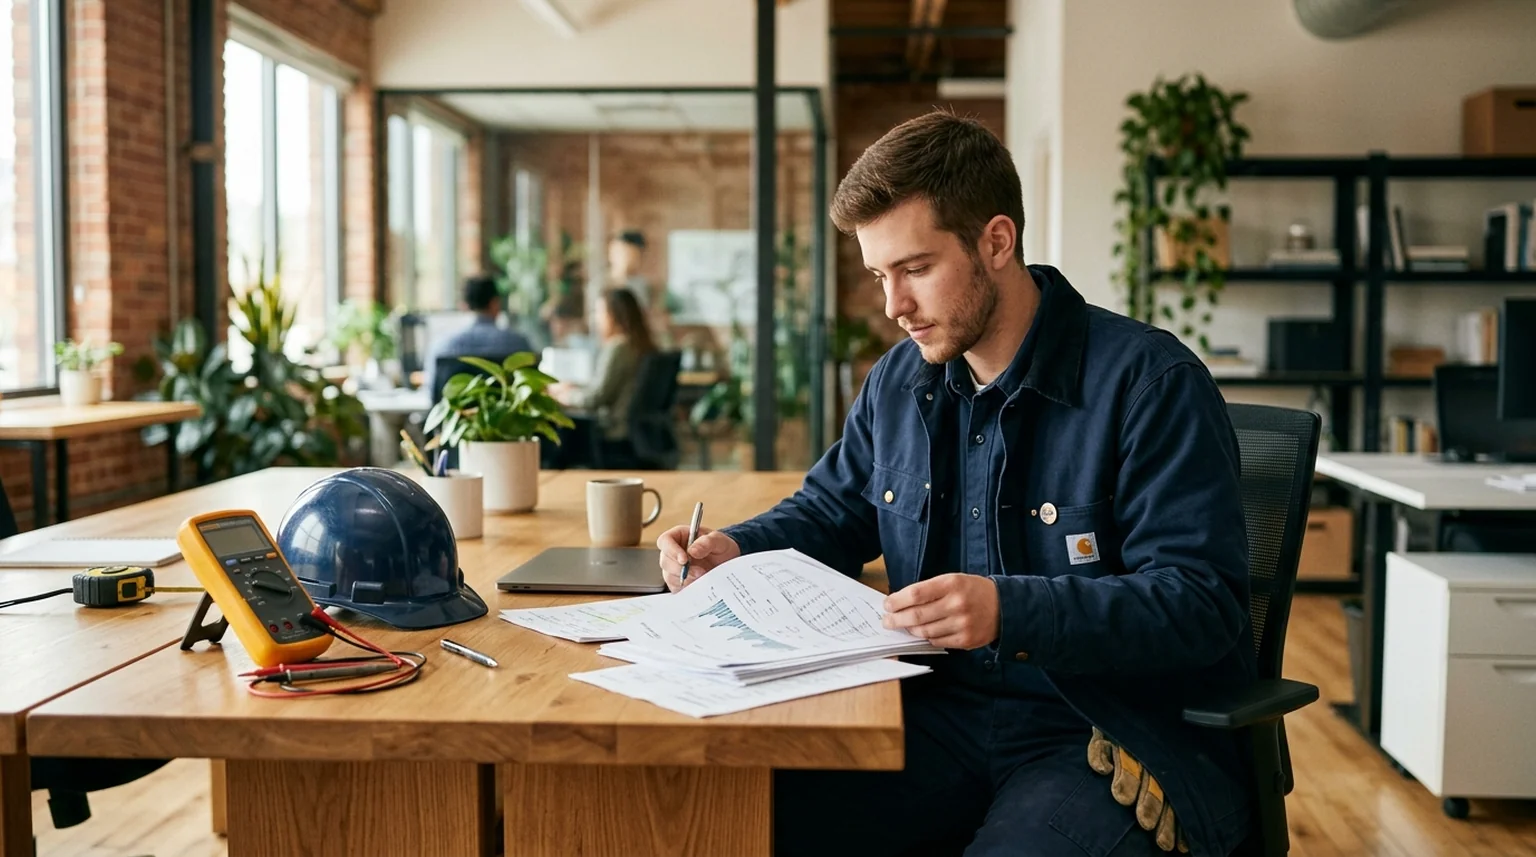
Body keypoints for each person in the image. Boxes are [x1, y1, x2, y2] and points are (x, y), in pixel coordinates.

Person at [655, 111, 1255, 857]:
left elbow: (1203, 602)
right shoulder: (901, 381)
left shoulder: (1150, 384)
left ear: (996, 241)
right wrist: (736, 546)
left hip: (1094, 731)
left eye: (914, 269)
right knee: (730, 824)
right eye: (880, 275)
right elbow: (835, 508)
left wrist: (1011, 607)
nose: (891, 306)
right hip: (929, 711)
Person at [550, 288, 656, 442]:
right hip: (638, 433)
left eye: (599, 312)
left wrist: (564, 396)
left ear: (614, 315)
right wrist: (575, 388)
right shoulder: (639, 346)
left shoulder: (618, 348)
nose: (596, 319)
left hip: (612, 431)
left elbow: (596, 398)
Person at [424, 275, 534, 398]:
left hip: (459, 416)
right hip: (508, 416)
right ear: (495, 304)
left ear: (464, 306)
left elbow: (432, 394)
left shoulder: (441, 347)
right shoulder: (518, 344)